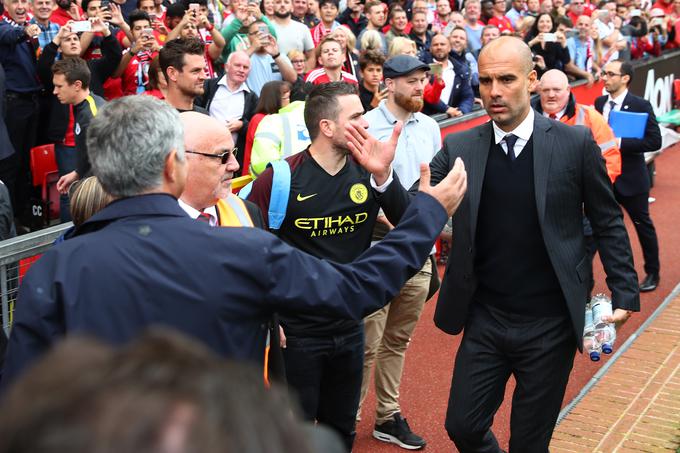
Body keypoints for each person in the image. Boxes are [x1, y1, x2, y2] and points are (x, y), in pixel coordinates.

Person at [2, 94, 468, 390]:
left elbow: (22, 400)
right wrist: (427, 212)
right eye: (221, 155)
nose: (230, 164)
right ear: (173, 166)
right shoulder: (239, 250)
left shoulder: (55, 266)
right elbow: (355, 288)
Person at [348, 35, 639, 452]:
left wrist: (625, 288)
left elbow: (608, 221)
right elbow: (413, 212)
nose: (494, 92)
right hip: (486, 317)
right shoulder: (462, 146)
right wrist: (382, 178)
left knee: (529, 441)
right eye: (485, 81)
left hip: (551, 321)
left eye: (506, 79)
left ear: (532, 80)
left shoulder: (573, 145)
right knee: (462, 427)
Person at [245, 82, 424, 451]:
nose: (366, 123)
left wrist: (382, 177)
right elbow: (250, 249)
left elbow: (410, 226)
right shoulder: (280, 178)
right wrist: (268, 317)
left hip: (349, 325)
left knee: (341, 432)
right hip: (296, 333)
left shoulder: (366, 170)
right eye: (356, 116)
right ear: (327, 127)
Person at [359, 55, 441, 451]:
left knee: (397, 342)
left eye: (422, 80)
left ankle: (388, 416)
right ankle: (346, 417)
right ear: (388, 84)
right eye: (411, 80)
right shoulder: (364, 125)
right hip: (376, 249)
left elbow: (435, 184)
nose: (419, 87)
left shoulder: (430, 126)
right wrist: (390, 219)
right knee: (366, 342)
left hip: (418, 252)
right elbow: (354, 187)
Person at [595, 59, 662, 293]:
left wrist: (619, 142)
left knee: (642, 226)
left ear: (625, 78)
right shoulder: (599, 102)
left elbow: (655, 141)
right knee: (595, 228)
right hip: (604, 178)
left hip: (632, 179)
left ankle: (653, 272)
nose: (605, 77)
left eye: (611, 74)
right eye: (604, 73)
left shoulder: (641, 105)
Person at [53, 58, 106, 201]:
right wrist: (77, 173)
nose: (54, 91)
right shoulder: (82, 108)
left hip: (101, 195)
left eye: (59, 86)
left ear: (77, 85)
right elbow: (89, 156)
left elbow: (106, 163)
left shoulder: (94, 116)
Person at [196, 51, 257, 172]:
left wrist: (242, 125)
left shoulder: (252, 97)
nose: (241, 70)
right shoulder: (208, 86)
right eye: (237, 65)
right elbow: (195, 110)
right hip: (204, 150)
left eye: (245, 67)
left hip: (232, 157)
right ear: (226, 67)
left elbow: (255, 127)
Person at [244, 80, 292, 172]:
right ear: (275, 99)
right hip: (256, 174)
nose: (289, 102)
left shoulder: (282, 118)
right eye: (286, 98)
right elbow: (262, 152)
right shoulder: (259, 119)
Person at [422, 33, 474, 117]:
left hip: (452, 120)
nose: (439, 47)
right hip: (428, 118)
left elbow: (468, 96)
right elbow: (426, 94)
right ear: (430, 49)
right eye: (435, 45)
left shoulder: (460, 70)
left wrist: (462, 111)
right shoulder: (422, 69)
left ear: (449, 48)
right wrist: (446, 109)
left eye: (442, 44)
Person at [158, 37, 209, 113]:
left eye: (204, 70)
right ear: (172, 73)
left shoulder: (203, 115)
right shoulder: (154, 119)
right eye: (195, 71)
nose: (204, 76)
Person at [271, 0, 315, 71]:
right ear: (273, 6)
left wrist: (303, 73)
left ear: (292, 7)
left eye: (286, 2)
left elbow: (311, 56)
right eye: (278, 2)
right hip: (272, 75)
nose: (282, 5)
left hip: (297, 77)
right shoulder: (266, 27)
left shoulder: (303, 28)